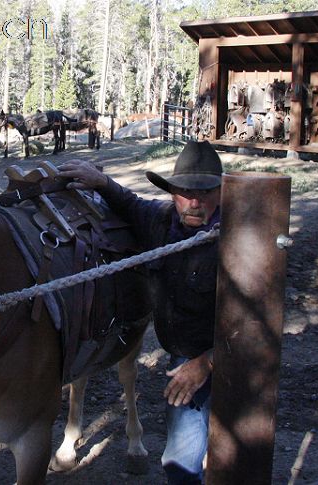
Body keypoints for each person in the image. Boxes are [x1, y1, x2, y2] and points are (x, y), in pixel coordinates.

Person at [59, 140, 222, 484]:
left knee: (194, 460)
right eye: (185, 191)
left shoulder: (235, 239)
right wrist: (101, 181)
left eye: (205, 192)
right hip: (185, 359)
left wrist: (205, 363)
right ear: (173, 192)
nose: (194, 202)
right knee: (182, 458)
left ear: (221, 192)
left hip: (223, 360)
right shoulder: (163, 222)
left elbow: (254, 330)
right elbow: (130, 203)